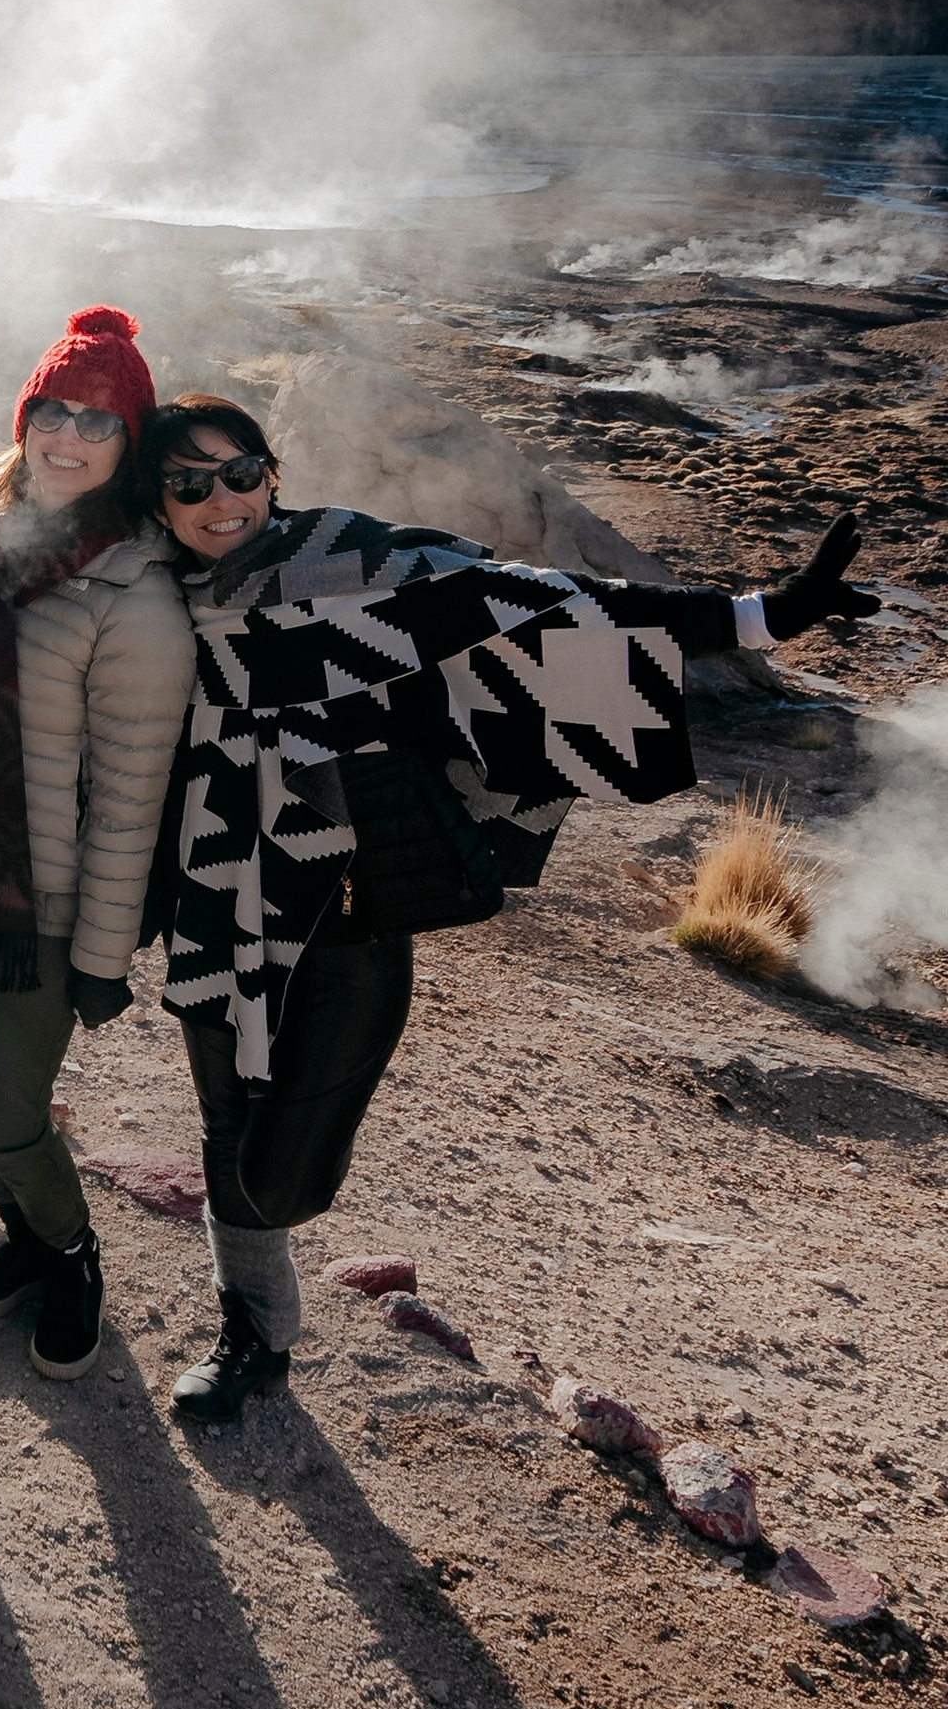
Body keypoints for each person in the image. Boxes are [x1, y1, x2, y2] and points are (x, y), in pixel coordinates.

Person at [138, 389, 882, 1424]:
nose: (220, 497)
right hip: (215, 895)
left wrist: (761, 613)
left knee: (279, 1180)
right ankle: (254, 1332)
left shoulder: (354, 564)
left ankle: (263, 1261)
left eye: (240, 469)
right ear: (157, 502)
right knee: (224, 1128)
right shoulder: (143, 594)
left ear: (272, 471)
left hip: (342, 906)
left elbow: (535, 599)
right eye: (187, 482)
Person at [0, 308, 193, 1381]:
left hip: (44, 910)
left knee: (8, 1115)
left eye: (98, 421)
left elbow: (128, 802)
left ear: (130, 442)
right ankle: (26, 1238)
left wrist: (98, 960)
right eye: (52, 411)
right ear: (25, 416)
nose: (67, 437)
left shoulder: (136, 592)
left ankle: (69, 1254)